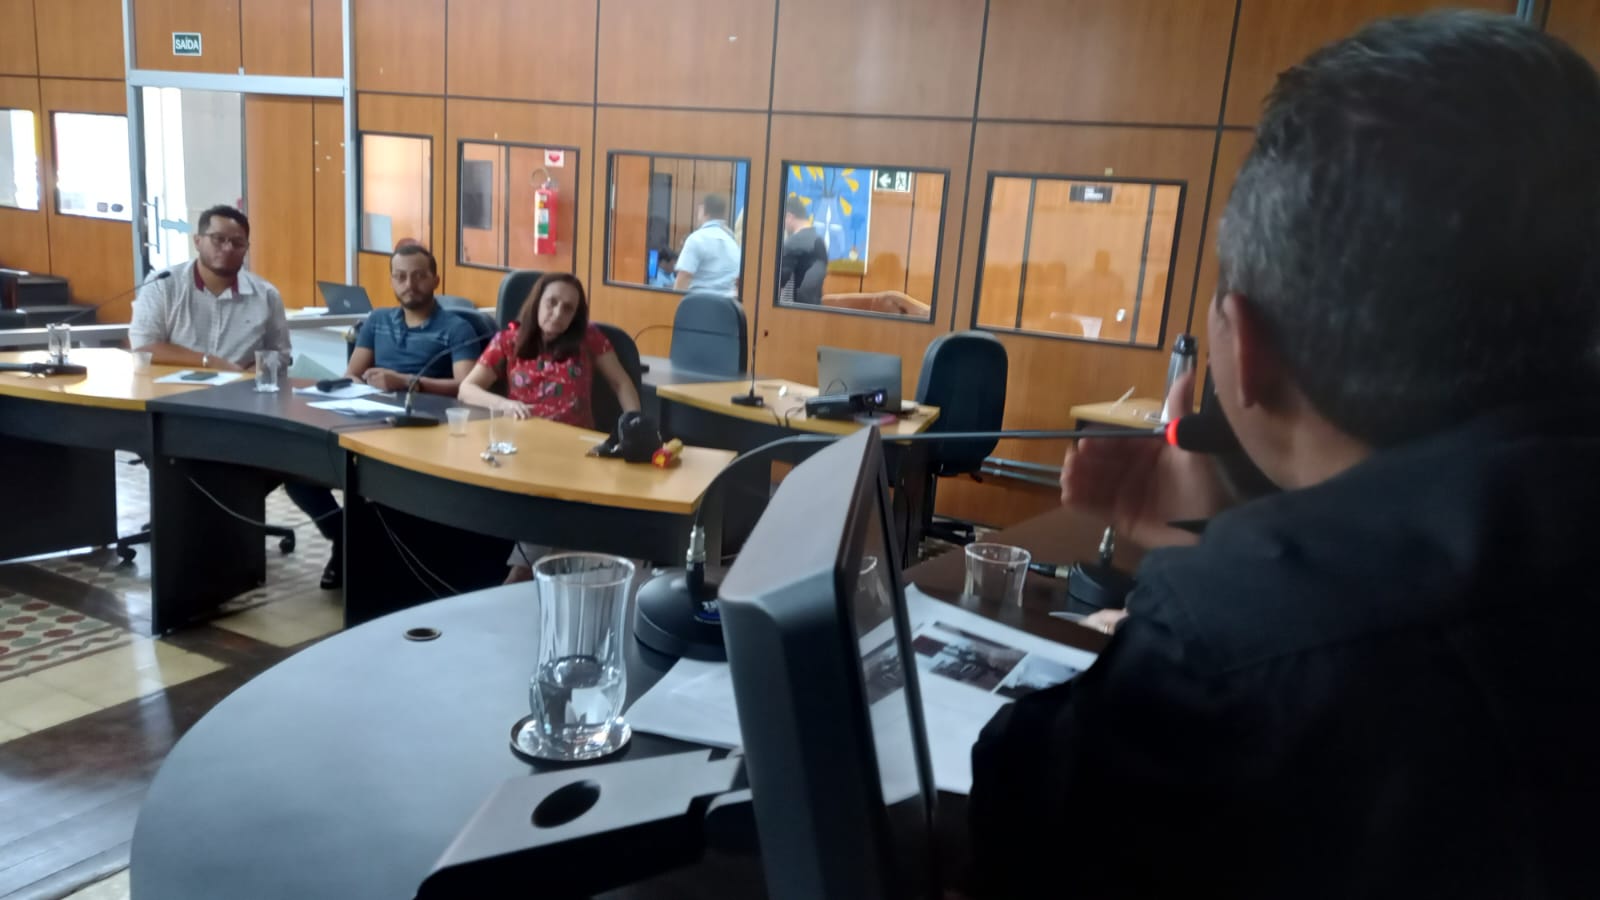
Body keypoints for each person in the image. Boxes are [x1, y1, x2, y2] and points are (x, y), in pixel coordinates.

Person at [969, 12, 1600, 900]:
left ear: (1247, 352)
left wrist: (1218, 574)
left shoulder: (1233, 635)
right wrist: (1218, 536)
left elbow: (1019, 812)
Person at [284, 243, 481, 590]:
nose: (410, 284)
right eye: (400, 277)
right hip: (370, 418)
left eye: (419, 276)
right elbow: (352, 373)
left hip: (424, 428)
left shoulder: (457, 328)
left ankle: (359, 551)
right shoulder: (377, 320)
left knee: (373, 482)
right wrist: (354, 384)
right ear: (391, 280)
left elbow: (465, 386)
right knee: (297, 473)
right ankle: (345, 537)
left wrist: (406, 381)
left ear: (435, 279)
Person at [458, 273, 642, 583]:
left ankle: (519, 577)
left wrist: (634, 424)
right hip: (525, 451)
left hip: (577, 452)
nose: (557, 313)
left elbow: (620, 383)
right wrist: (504, 404)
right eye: (552, 303)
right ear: (536, 303)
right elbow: (467, 388)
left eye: (568, 308)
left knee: (555, 524)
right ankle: (522, 577)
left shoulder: (588, 337)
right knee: (552, 525)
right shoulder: (508, 340)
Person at [130, 204, 291, 370]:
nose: (228, 248)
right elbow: (144, 348)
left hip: (241, 384)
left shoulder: (266, 295)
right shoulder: (162, 284)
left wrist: (256, 371)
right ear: (197, 241)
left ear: (246, 248)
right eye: (218, 239)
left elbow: (280, 353)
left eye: (238, 243)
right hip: (174, 384)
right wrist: (210, 362)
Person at [674, 193, 740, 296]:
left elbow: (684, 276)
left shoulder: (696, 239)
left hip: (699, 302)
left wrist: (673, 302)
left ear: (704, 211)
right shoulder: (733, 242)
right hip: (727, 303)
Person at [778, 196, 828, 306]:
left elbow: (779, 282)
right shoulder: (820, 242)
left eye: (783, 219)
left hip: (791, 310)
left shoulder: (792, 243)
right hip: (814, 309)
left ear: (789, 216)